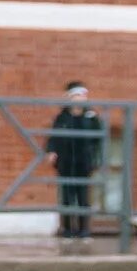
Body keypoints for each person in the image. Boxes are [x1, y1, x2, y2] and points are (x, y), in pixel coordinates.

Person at [45, 81, 104, 240]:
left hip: (83, 162)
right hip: (66, 161)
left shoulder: (91, 117)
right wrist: (51, 151)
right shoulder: (62, 117)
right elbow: (54, 136)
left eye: (82, 96)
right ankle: (67, 229)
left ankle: (84, 230)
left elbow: (99, 139)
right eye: (76, 95)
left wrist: (96, 159)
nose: (79, 99)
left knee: (83, 196)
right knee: (66, 196)